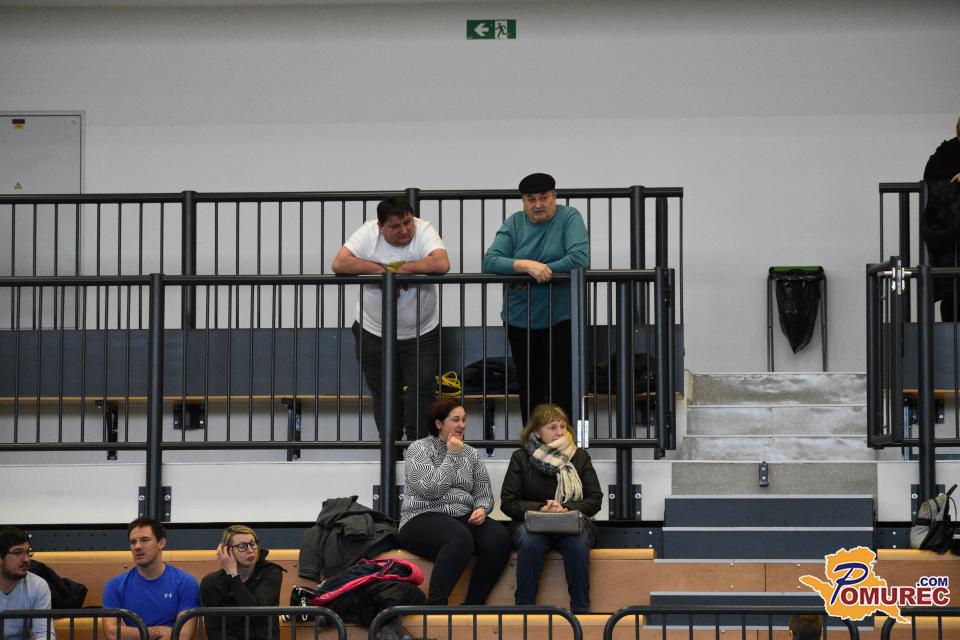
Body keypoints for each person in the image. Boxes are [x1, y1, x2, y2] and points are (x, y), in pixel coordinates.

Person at [332, 196, 450, 442]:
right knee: (384, 394)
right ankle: (390, 449)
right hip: (373, 331)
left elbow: (441, 263)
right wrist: (382, 273)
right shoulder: (367, 233)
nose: (404, 230)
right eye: (395, 226)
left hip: (422, 332)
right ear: (380, 227)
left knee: (423, 391)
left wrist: (402, 271)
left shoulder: (424, 229)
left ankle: (418, 449)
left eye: (408, 223)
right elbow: (339, 263)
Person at [482, 173, 589, 424]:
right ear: (523, 201)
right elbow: (490, 260)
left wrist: (541, 271)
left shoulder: (569, 217)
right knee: (530, 387)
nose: (538, 204)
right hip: (520, 319)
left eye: (544, 198)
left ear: (554, 197)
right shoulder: (514, 223)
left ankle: (565, 441)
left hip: (561, 317)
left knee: (563, 385)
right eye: (531, 199)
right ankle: (533, 443)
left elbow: (578, 258)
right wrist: (524, 266)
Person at [396, 398, 511, 605]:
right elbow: (431, 490)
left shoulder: (472, 454)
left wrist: (482, 509)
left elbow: (484, 494)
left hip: (462, 516)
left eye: (464, 419)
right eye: (455, 420)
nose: (462, 425)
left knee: (499, 538)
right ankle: (435, 606)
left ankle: (474, 605)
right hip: (422, 515)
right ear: (439, 424)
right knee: (460, 538)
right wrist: (452, 456)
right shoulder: (419, 449)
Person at [499, 404, 603, 613]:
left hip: (571, 522)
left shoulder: (579, 457)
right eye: (552, 427)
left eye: (563, 427)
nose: (560, 432)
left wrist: (565, 507)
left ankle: (581, 612)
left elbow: (595, 499)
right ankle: (524, 610)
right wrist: (541, 508)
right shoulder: (520, 457)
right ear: (537, 431)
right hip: (531, 524)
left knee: (576, 544)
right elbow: (508, 502)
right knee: (531, 542)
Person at [102, 518, 200, 640]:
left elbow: (182, 636)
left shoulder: (186, 583)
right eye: (133, 542)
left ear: (161, 543)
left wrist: (129, 633)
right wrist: (158, 631)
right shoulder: (115, 586)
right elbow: (112, 633)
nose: (137, 546)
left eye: (144, 540)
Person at [199, 525, 283, 640]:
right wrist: (232, 574)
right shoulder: (211, 582)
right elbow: (214, 630)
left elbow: (254, 611)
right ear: (227, 551)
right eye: (242, 546)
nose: (250, 550)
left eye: (253, 544)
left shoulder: (270, 572)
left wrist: (233, 575)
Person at [921, 117, 960, 320]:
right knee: (953, 297)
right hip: (951, 234)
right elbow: (931, 176)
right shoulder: (947, 152)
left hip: (950, 230)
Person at [0, 527, 55, 640]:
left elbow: (44, 634)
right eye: (18, 553)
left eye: (28, 552)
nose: (26, 559)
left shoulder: (38, 585)